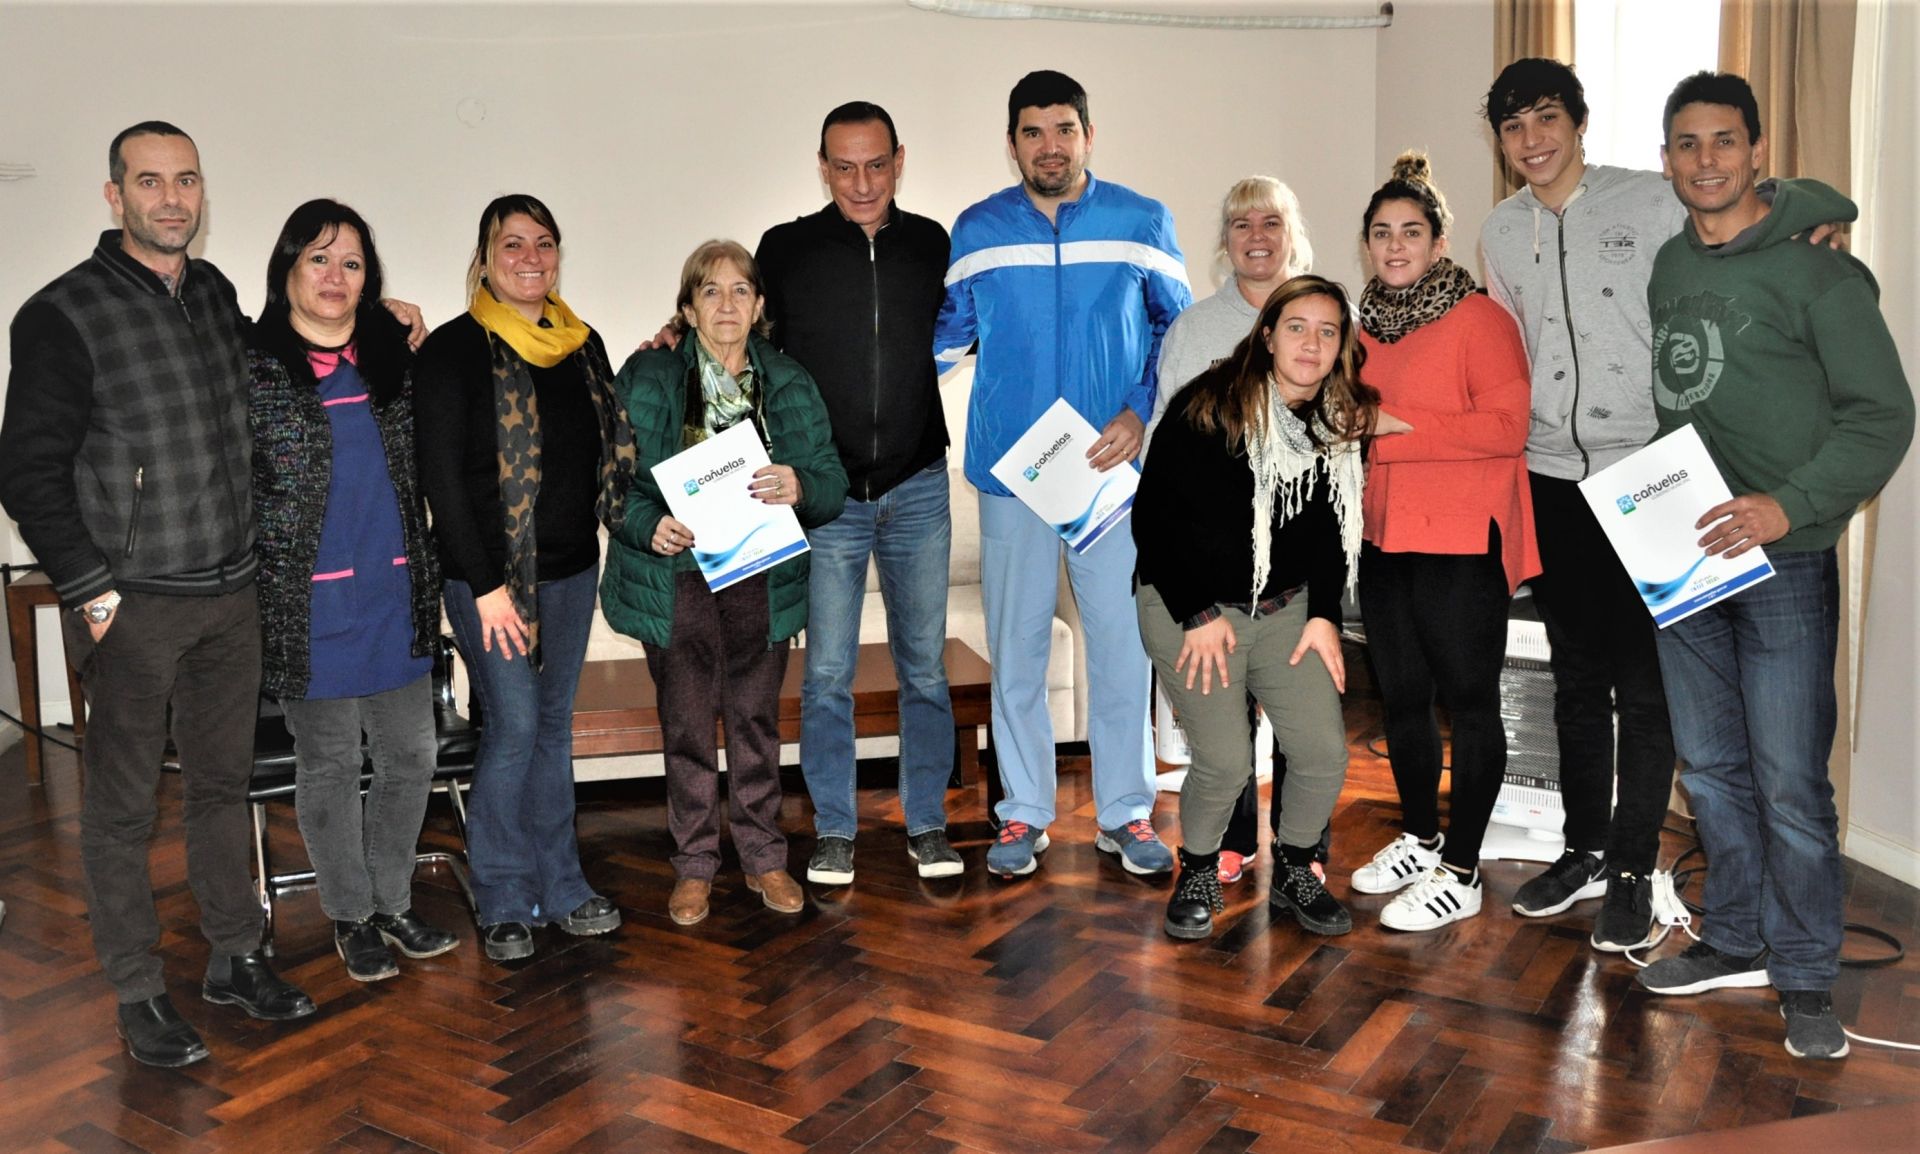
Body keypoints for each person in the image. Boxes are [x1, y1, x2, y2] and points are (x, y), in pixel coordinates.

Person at [1480, 59, 1847, 953]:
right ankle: (1583, 849)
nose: (1533, 139)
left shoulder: (1651, 200)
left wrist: (1822, 210)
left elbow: (1746, 205)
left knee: (1647, 689)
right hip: (1551, 477)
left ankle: (1634, 869)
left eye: (1547, 118)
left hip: (1650, 474)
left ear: (1579, 122)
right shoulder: (1499, 230)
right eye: (1514, 126)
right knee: (1575, 679)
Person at [0, 122, 316, 1067]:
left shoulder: (212, 293)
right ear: (115, 196)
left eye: (186, 180)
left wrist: (384, 322)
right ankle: (138, 990)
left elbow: (282, 365)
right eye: (149, 181)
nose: (171, 199)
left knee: (221, 789)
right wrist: (92, 591)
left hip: (231, 594)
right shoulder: (61, 314)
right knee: (121, 810)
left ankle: (234, 957)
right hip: (134, 605)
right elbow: (25, 471)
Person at [1633, 72, 1912, 1060]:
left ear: (1757, 151)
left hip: (1785, 561)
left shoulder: (1820, 273)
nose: (1705, 159)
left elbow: (1885, 415)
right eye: (1687, 143)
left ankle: (1804, 975)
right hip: (1684, 556)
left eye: (1724, 140)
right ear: (1667, 160)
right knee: (1710, 769)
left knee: (1791, 781)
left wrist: (1786, 504)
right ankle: (1735, 936)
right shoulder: (1670, 265)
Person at [934, 70, 1192, 878]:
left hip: (1108, 473)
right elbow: (937, 343)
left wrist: (1139, 412)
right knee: (1015, 649)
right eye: (1033, 132)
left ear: (1088, 134)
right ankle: (1023, 812)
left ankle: (1125, 813)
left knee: (1120, 646)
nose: (1050, 146)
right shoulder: (977, 229)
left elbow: (1178, 337)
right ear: (1012, 143)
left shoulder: (1142, 221)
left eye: (1064, 129)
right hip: (1012, 476)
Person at [412, 194, 636, 962]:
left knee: (552, 727)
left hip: (571, 572)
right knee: (513, 726)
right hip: (489, 582)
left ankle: (563, 885)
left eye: (544, 243)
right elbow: (442, 481)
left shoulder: (582, 342)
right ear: (484, 258)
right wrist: (486, 588)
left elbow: (610, 448)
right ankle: (505, 892)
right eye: (513, 244)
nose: (530, 258)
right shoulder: (453, 351)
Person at [602, 240, 848, 927]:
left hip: (760, 577)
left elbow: (830, 479)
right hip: (676, 578)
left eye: (741, 290)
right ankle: (694, 865)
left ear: (759, 304)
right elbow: (612, 480)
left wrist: (801, 486)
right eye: (710, 291)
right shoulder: (648, 375)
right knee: (685, 727)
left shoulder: (789, 382)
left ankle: (764, 857)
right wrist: (648, 524)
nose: (727, 304)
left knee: (755, 723)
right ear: (687, 308)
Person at [248, 199, 457, 982]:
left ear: (370, 279)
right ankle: (350, 915)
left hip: (396, 597)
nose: (334, 276)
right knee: (331, 765)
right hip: (308, 608)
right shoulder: (253, 368)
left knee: (410, 756)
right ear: (288, 269)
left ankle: (393, 901)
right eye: (318, 258)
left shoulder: (396, 361)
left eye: (352, 262)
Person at [754, 102, 963, 885]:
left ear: (899, 161)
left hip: (919, 485)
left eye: (877, 165)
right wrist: (676, 340)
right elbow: (739, 338)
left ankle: (928, 824)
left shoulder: (933, 244)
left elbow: (986, 328)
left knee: (924, 671)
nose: (863, 182)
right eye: (844, 167)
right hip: (828, 496)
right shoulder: (786, 249)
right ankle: (835, 829)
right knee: (827, 677)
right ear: (823, 167)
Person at [1135, 274, 1374, 940]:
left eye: (1328, 331)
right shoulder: (1208, 405)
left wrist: (1324, 615)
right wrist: (1197, 614)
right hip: (1188, 605)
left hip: (1285, 610)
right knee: (1225, 762)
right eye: (1297, 327)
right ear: (1267, 336)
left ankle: (1296, 865)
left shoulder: (1337, 421)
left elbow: (1330, 534)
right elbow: (1153, 521)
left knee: (1323, 752)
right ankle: (1198, 869)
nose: (1311, 343)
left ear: (1342, 347)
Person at [1348, 153, 1539, 932]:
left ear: (1438, 241)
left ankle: (1462, 872)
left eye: (1411, 232)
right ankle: (1422, 839)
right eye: (1381, 232)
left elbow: (1508, 428)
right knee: (1401, 701)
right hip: (1384, 534)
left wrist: (1389, 431)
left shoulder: (1481, 319)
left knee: (1469, 703)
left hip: (1461, 539)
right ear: (1366, 243)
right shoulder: (1362, 328)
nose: (1395, 245)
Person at [1148, 175, 1324, 888]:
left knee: (1307, 718)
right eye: (1241, 223)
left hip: (1294, 564)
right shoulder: (1194, 330)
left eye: (1271, 221)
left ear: (1292, 234)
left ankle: (1302, 850)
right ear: (1225, 240)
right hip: (1215, 564)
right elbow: (1164, 451)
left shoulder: (1324, 315)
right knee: (1228, 716)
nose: (1257, 235)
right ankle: (1230, 836)